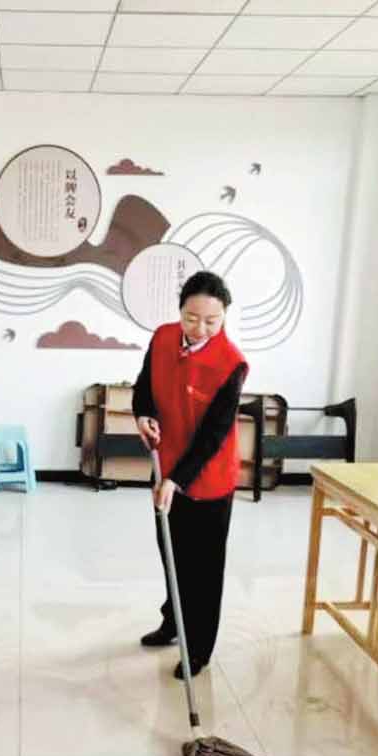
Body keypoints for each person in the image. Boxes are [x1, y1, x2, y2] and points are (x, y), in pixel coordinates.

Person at [132, 271, 248, 679]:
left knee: (203, 569)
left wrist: (175, 479)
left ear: (224, 317)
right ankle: (173, 622)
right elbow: (144, 386)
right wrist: (143, 415)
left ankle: (198, 648)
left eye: (211, 321)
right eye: (191, 318)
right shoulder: (163, 337)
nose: (200, 329)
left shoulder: (231, 364)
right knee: (171, 553)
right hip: (167, 466)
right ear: (179, 311)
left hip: (208, 477)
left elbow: (213, 436)